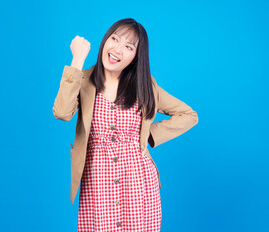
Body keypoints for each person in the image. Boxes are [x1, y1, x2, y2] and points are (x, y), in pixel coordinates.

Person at [52, 18, 198, 231]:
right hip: (97, 183)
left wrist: (148, 134)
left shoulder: (145, 86)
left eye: (129, 47)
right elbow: (62, 113)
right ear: (105, 41)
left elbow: (188, 114)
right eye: (115, 39)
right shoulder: (82, 80)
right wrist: (77, 60)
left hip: (138, 183)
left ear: (135, 57)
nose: (117, 49)